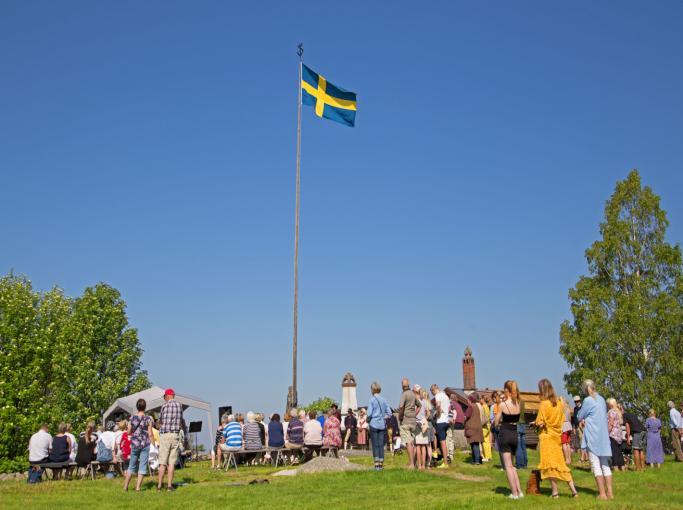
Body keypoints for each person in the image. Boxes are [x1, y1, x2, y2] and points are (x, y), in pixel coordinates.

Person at [532, 379, 578, 498]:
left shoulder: (543, 404)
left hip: (547, 438)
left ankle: (555, 492)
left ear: (542, 390)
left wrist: (535, 423)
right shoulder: (558, 403)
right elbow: (562, 420)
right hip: (557, 436)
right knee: (561, 464)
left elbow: (540, 422)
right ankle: (574, 491)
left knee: (550, 465)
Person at [576, 379, 613, 500]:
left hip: (593, 435)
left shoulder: (587, 400)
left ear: (586, 389)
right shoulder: (601, 399)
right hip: (603, 436)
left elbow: (579, 415)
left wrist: (583, 419)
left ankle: (602, 494)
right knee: (605, 464)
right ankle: (610, 493)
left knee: (596, 465)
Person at [494, 381, 523, 499]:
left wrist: (497, 424)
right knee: (513, 466)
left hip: (505, 433)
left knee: (508, 466)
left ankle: (514, 494)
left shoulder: (502, 404)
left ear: (507, 390)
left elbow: (496, 421)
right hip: (514, 433)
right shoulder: (518, 404)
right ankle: (519, 491)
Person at [157, 388, 186, 492]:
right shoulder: (180, 406)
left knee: (162, 462)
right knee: (172, 463)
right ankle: (169, 486)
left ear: (167, 396)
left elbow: (160, 421)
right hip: (175, 435)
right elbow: (181, 420)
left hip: (165, 435)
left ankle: (159, 486)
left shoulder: (164, 406)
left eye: (165, 396)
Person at [124, 398, 154, 491]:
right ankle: (138, 488)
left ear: (137, 407)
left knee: (131, 466)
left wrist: (130, 430)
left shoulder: (132, 418)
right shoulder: (148, 418)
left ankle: (125, 487)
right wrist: (153, 444)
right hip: (145, 444)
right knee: (142, 465)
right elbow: (150, 433)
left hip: (135, 444)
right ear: (145, 407)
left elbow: (128, 432)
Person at [366, 381, 392, 470]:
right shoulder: (384, 400)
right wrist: (384, 417)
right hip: (382, 424)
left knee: (375, 445)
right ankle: (381, 464)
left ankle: (376, 465)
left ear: (372, 390)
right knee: (381, 444)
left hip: (373, 423)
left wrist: (368, 418)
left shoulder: (372, 399)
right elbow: (390, 413)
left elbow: (369, 413)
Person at [398, 378, 420, 468]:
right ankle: (413, 462)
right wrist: (415, 414)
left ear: (402, 386)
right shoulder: (412, 394)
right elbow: (419, 405)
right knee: (413, 442)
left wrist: (400, 417)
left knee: (408, 443)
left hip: (406, 420)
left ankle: (411, 464)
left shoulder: (404, 394)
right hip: (413, 421)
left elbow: (401, 407)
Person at [430, 384, 451, 467]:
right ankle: (445, 460)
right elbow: (449, 408)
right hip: (446, 421)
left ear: (433, 390)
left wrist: (437, 413)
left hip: (441, 421)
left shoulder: (437, 395)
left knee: (442, 443)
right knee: (444, 442)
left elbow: (438, 405)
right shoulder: (445, 396)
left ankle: (445, 463)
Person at [464, 393, 484, 466]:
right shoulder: (477, 406)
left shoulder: (470, 406)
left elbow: (466, 416)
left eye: (468, 400)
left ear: (470, 400)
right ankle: (479, 460)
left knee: (474, 445)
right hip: (478, 427)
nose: (467, 401)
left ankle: (476, 461)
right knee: (476, 444)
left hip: (472, 428)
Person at [606, 398, 625, 471]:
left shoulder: (611, 412)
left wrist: (607, 433)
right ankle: (623, 468)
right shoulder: (618, 411)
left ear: (610, 404)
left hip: (613, 434)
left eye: (608, 404)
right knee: (619, 452)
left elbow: (610, 424)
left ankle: (616, 468)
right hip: (619, 434)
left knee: (614, 452)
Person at [571, 395, 587, 463]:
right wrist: (574, 427)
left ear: (580, 401)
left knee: (583, 442)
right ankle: (583, 457)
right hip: (577, 427)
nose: (576, 402)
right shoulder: (575, 409)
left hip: (583, 426)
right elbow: (574, 418)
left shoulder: (583, 408)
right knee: (580, 442)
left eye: (577, 401)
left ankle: (584, 458)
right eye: (575, 402)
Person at [560, 398, 573, 465]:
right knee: (568, 443)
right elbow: (570, 419)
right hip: (569, 425)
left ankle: (567, 459)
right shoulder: (568, 409)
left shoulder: (561, 409)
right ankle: (569, 458)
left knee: (564, 443)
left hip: (564, 426)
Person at [480, 394, 492, 463]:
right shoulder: (487, 406)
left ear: (483, 400)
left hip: (484, 426)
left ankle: (486, 457)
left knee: (485, 442)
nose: (479, 400)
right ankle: (489, 456)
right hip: (487, 425)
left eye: (480, 399)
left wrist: (480, 424)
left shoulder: (484, 407)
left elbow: (485, 418)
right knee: (487, 441)